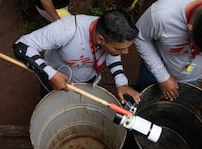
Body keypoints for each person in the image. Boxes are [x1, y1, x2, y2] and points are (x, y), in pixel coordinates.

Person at [13, 9, 141, 104]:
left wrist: (121, 82)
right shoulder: (67, 29)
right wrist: (50, 74)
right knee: (53, 104)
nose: (126, 52)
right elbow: (21, 45)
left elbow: (112, 53)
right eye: (120, 49)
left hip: (87, 77)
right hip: (55, 78)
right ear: (100, 39)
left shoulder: (108, 31)